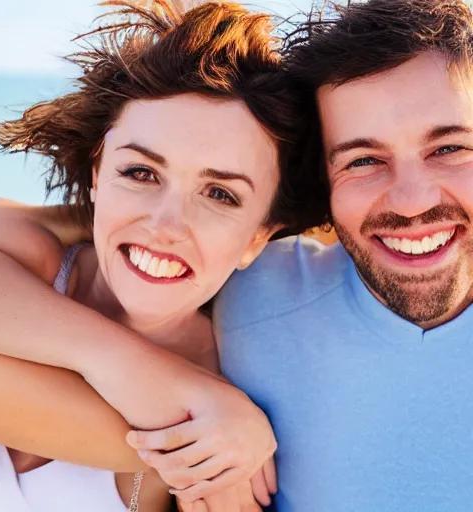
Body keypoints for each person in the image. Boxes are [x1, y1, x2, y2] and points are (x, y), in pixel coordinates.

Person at [0, 1, 325, 510]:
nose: (165, 226)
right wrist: (140, 373)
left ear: (257, 237)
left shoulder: (241, 402)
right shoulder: (14, 254)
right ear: (96, 173)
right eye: (140, 173)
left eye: (220, 195)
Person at [215, 0, 473, 510]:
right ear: (323, 186)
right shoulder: (247, 289)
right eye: (363, 160)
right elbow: (20, 249)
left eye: (449, 149)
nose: (412, 200)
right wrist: (170, 388)